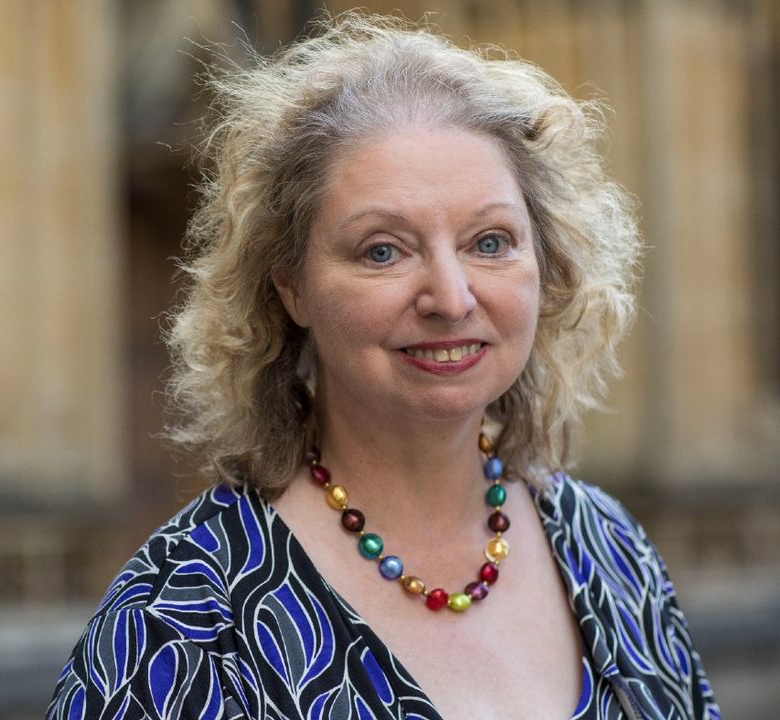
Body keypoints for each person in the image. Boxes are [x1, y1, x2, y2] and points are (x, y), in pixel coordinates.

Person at [48, 13, 718, 720]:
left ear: (547, 264)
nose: (452, 298)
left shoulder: (608, 549)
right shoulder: (178, 622)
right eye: (382, 251)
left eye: (490, 242)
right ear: (290, 286)